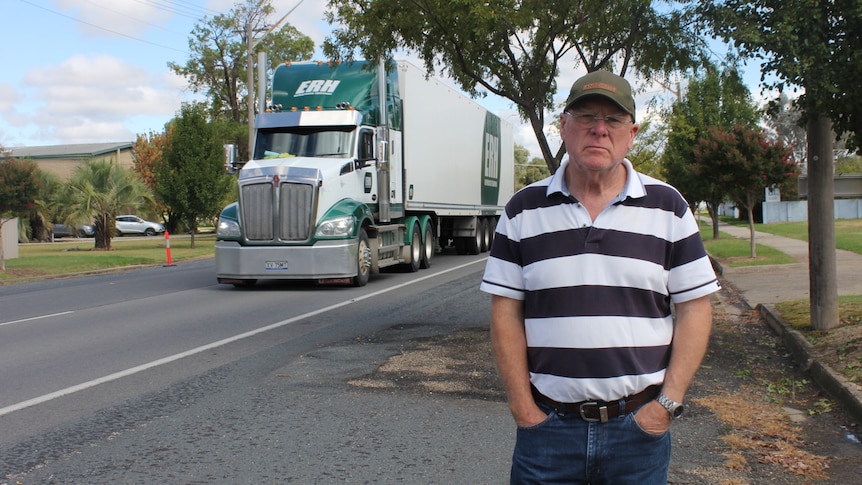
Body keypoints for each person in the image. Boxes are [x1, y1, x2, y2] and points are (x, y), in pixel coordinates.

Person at [480, 70, 720, 484]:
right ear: (564, 126)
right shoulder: (523, 210)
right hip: (547, 432)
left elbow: (695, 309)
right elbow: (505, 312)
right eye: (586, 116)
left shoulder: (669, 208)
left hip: (638, 433)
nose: (598, 129)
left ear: (632, 134)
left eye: (613, 120)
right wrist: (523, 407)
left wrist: (667, 404)